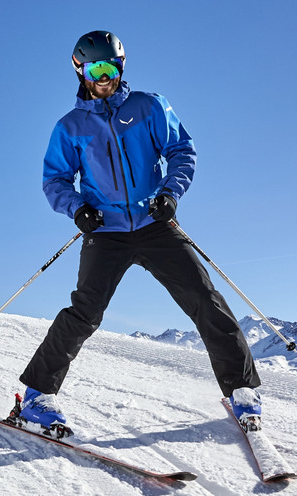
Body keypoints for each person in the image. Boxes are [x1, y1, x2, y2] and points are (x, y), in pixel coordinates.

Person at [14, 30, 262, 436]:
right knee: (85, 313)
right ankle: (38, 396)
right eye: (96, 68)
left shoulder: (148, 107)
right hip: (106, 231)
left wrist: (170, 194)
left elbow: (182, 151)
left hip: (154, 223)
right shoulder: (71, 126)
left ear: (121, 66)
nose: (104, 76)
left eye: (111, 67)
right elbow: (55, 179)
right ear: (80, 70)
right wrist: (78, 209)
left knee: (204, 299)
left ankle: (242, 391)